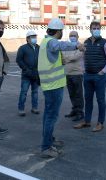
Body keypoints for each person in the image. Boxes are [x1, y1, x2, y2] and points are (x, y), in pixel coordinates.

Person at [38, 18, 85, 158]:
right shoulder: (51, 42)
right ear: (58, 31)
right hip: (53, 86)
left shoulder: (44, 42)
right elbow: (59, 45)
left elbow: (53, 57)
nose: (62, 34)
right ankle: (46, 147)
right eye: (61, 31)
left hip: (50, 85)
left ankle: (49, 140)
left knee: (48, 115)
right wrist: (76, 45)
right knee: (51, 116)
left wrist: (61, 60)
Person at [74, 20, 106, 132]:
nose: (96, 30)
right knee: (88, 99)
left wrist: (103, 71)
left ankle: (100, 123)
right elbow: (82, 57)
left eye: (98, 28)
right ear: (90, 29)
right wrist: (83, 70)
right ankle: (87, 121)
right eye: (94, 28)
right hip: (88, 76)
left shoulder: (104, 43)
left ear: (100, 29)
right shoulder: (85, 43)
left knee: (100, 100)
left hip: (100, 77)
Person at [16, 30, 40, 116]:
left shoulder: (38, 47)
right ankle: (21, 109)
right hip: (26, 75)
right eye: (32, 37)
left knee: (35, 92)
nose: (34, 38)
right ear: (27, 39)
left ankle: (35, 108)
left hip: (36, 74)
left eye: (35, 37)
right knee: (24, 92)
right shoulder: (23, 48)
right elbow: (19, 60)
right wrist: (26, 69)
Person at [62, 31, 84, 122]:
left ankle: (80, 113)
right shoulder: (66, 46)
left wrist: (68, 58)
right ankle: (74, 110)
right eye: (71, 35)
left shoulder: (81, 46)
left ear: (78, 37)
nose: (72, 37)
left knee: (78, 94)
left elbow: (76, 57)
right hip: (67, 73)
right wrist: (69, 57)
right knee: (72, 94)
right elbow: (63, 56)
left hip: (77, 73)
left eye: (74, 36)